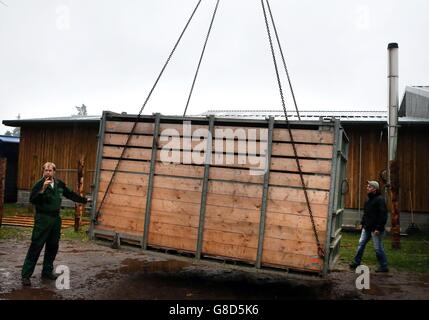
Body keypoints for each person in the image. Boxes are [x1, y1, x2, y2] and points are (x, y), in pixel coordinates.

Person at [21, 162, 88, 286]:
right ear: (43, 171)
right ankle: (26, 275)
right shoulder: (39, 184)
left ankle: (47, 271)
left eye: (50, 170)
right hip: (43, 219)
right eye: (46, 170)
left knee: (52, 246)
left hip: (55, 219)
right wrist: (43, 189)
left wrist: (83, 200)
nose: (48, 172)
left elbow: (70, 194)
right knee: (36, 247)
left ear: (54, 172)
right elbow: (33, 200)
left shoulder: (59, 184)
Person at [350, 180, 389, 272]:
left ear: (375, 189)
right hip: (366, 228)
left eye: (369, 187)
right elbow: (366, 213)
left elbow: (383, 215)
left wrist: (378, 228)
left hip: (375, 229)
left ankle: (384, 266)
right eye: (367, 186)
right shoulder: (368, 200)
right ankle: (356, 262)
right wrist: (362, 224)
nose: (367, 188)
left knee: (378, 248)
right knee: (361, 244)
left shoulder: (380, 200)